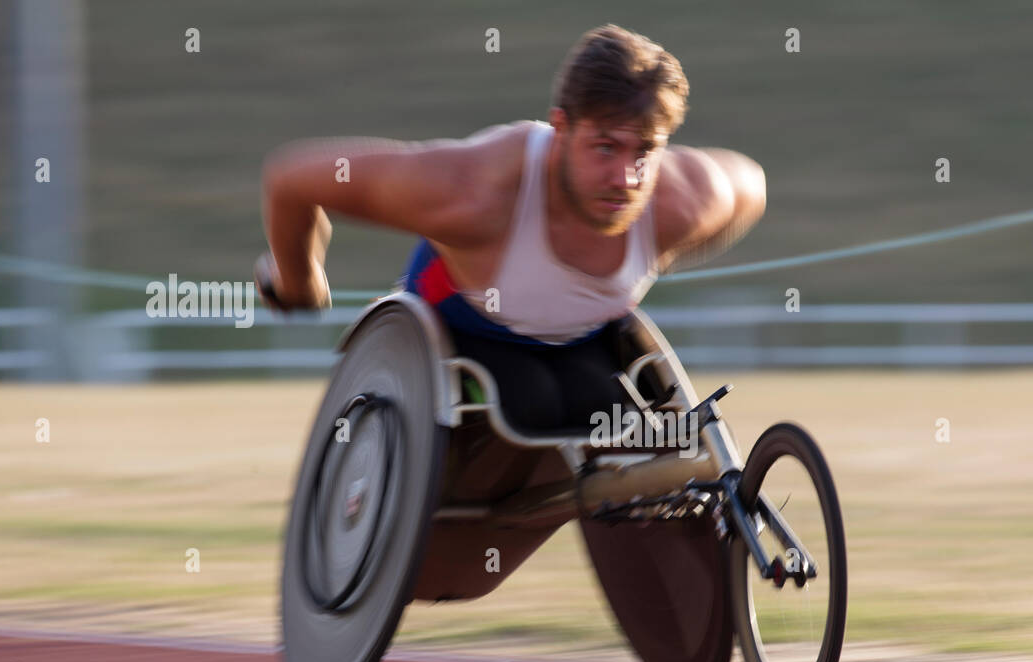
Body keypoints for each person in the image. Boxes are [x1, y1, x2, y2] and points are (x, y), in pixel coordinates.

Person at [256, 23, 766, 432]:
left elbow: (752, 186)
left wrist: (664, 257)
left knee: (610, 412)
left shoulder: (688, 202)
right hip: (462, 324)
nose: (626, 179)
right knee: (533, 403)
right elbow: (293, 179)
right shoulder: (472, 193)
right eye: (606, 147)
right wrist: (299, 283)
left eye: (646, 150)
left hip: (581, 342)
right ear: (560, 128)